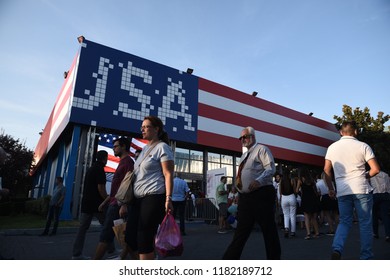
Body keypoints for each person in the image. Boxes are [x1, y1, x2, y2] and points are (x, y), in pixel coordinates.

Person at [324, 120, 380, 260]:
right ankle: (365, 257)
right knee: (365, 223)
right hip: (361, 188)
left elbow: (326, 170)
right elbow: (375, 169)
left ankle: (337, 248)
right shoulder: (363, 146)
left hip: (343, 190)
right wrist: (365, 175)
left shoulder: (332, 148)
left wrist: (331, 189)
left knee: (344, 221)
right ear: (356, 131)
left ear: (340, 132)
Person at [223, 126, 281, 260]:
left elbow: (270, 169)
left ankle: (274, 260)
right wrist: (238, 190)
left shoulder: (262, 149)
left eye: (245, 137)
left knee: (268, 230)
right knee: (241, 231)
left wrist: (258, 181)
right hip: (246, 198)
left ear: (252, 137)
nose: (243, 140)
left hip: (261, 194)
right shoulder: (244, 156)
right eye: (241, 138)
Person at [120, 115, 174, 260]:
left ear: (156, 129)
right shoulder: (144, 149)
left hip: (153, 197)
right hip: (137, 199)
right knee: (130, 238)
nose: (142, 129)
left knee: (144, 237)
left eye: (146, 127)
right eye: (142, 127)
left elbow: (168, 174)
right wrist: (125, 202)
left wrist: (168, 199)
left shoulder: (163, 147)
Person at [93, 137, 134, 259]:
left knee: (106, 235)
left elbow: (129, 184)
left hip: (118, 206)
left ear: (123, 147)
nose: (113, 148)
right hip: (114, 204)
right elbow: (116, 190)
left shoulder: (128, 162)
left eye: (116, 146)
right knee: (124, 236)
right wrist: (106, 202)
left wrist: (124, 205)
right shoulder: (122, 162)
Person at [72, 150, 111, 260]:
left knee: (82, 229)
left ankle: (76, 254)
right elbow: (101, 188)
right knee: (107, 226)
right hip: (98, 205)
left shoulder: (91, 169)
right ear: (105, 158)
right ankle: (110, 249)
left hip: (86, 203)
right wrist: (107, 199)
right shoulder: (100, 170)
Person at [297, 169, 321, 240]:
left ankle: (308, 233)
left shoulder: (300, 180)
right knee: (314, 217)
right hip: (313, 199)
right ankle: (317, 233)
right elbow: (316, 191)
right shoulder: (312, 180)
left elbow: (296, 190)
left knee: (306, 216)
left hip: (305, 199)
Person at [370, 170, 390, 242]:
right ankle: (388, 234)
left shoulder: (370, 173)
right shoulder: (386, 174)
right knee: (385, 215)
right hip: (386, 195)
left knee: (374, 215)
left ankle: (375, 233)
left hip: (375, 195)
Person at [279, 169, 297, 238]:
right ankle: (293, 232)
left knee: (285, 215)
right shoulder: (292, 180)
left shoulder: (281, 181)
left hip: (284, 198)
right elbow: (295, 190)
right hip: (291, 196)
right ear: (289, 174)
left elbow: (280, 192)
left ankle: (286, 228)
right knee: (292, 215)